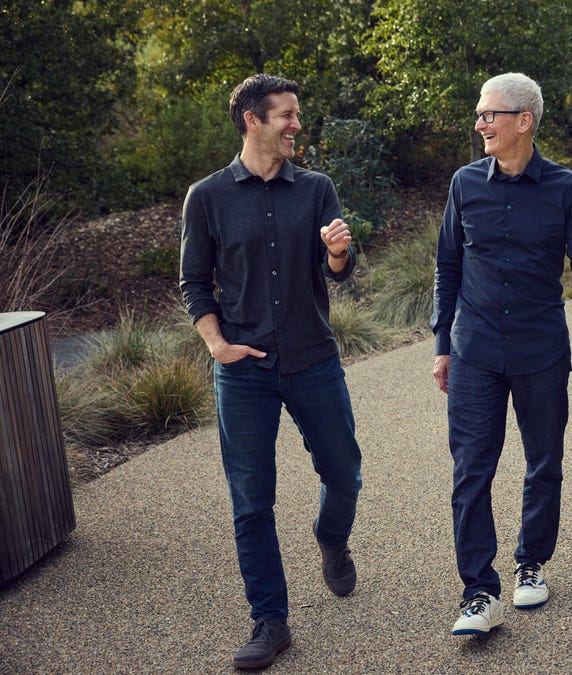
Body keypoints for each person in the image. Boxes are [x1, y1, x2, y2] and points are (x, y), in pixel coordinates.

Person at [179, 73, 363, 670]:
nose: (296, 125)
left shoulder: (316, 189)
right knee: (251, 500)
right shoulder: (206, 197)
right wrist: (217, 344)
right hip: (244, 371)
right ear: (252, 120)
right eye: (286, 115)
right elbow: (193, 283)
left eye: (297, 114)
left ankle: (331, 539)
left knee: (344, 472)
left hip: (313, 358)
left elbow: (338, 270)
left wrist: (337, 251)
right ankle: (270, 620)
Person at [430, 72, 572, 636]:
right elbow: (448, 267)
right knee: (471, 471)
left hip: (539, 350)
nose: (480, 124)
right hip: (474, 351)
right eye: (479, 115)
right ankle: (478, 594)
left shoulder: (565, 189)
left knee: (543, 462)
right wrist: (442, 347)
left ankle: (531, 563)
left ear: (523, 121)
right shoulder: (464, 184)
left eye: (490, 115)